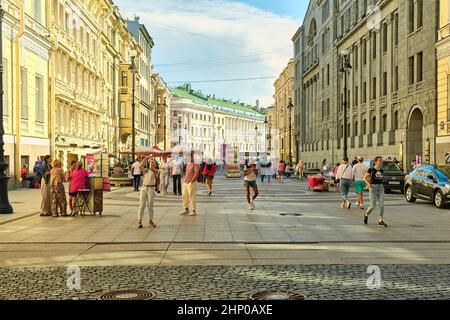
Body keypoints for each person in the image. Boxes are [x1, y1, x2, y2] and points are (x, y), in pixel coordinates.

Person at [364, 156, 388, 227]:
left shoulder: (382, 170)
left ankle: (380, 220)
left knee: (381, 204)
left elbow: (381, 179)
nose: (381, 162)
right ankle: (366, 214)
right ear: (375, 162)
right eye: (379, 160)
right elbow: (364, 177)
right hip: (373, 187)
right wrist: (368, 184)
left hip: (380, 187)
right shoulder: (371, 170)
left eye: (381, 160)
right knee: (373, 205)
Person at [137, 156, 158, 228]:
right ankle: (139, 220)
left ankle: (150, 220)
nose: (152, 165)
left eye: (153, 164)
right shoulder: (146, 170)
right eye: (151, 164)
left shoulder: (156, 171)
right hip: (144, 188)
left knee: (150, 205)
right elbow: (140, 166)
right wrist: (145, 159)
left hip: (151, 189)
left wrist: (151, 159)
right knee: (142, 204)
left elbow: (152, 169)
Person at [180, 152, 200, 216]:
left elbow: (196, 173)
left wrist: (192, 181)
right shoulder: (188, 163)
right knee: (184, 196)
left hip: (192, 182)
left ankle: (193, 210)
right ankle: (186, 209)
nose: (188, 158)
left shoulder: (195, 163)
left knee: (192, 196)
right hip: (185, 182)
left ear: (192, 156)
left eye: (189, 156)